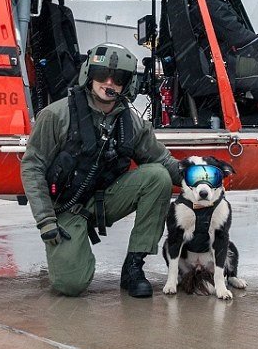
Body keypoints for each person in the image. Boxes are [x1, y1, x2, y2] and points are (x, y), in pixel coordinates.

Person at [21, 42, 180, 297]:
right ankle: (73, 252)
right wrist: (45, 221)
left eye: (118, 78)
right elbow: (32, 165)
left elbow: (162, 160)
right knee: (70, 286)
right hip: (66, 208)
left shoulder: (132, 122)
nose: (109, 82)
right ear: (88, 75)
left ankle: (133, 267)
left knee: (157, 177)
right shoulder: (56, 115)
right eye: (101, 75)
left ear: (126, 83)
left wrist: (197, 179)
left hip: (105, 201)